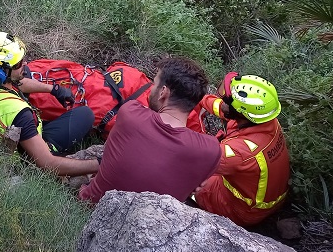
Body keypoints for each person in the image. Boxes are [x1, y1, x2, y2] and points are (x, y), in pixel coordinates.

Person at [78, 56, 221, 204]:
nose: (151, 88)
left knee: (97, 153)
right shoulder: (210, 150)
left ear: (163, 92)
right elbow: (195, 186)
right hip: (150, 223)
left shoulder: (131, 112)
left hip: (94, 205)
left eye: (154, 83)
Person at [0, 31, 99, 177]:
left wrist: (53, 89)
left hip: (7, 132)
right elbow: (48, 164)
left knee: (25, 73)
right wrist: (99, 164)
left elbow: (18, 82)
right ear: (0, 72)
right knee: (86, 115)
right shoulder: (20, 113)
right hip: (27, 153)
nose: (24, 64)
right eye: (18, 63)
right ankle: (51, 148)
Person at [192, 73, 290, 227]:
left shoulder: (238, 153)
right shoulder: (263, 120)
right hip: (264, 196)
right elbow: (224, 110)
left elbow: (192, 161)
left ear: (240, 113)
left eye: (226, 100)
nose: (222, 102)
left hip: (243, 211)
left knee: (194, 182)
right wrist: (200, 97)